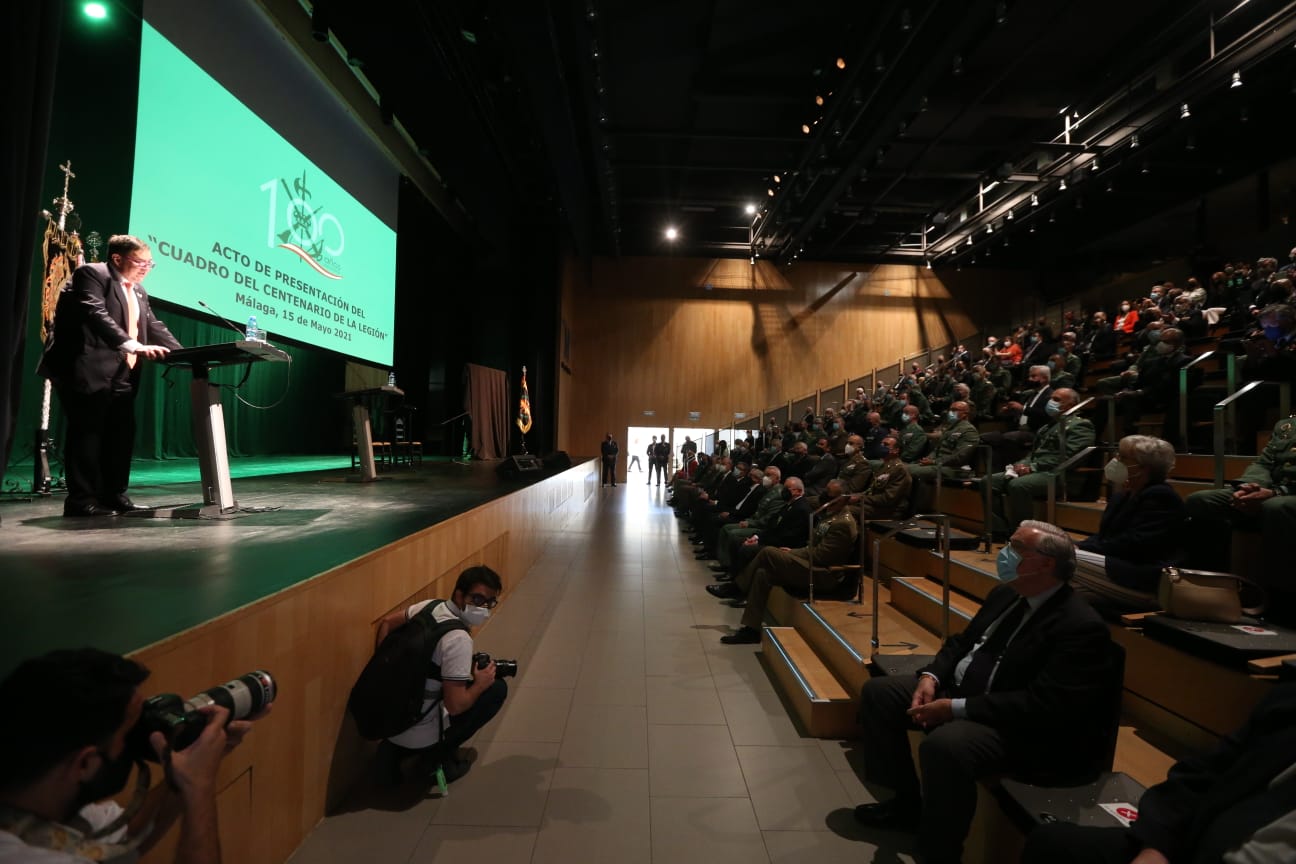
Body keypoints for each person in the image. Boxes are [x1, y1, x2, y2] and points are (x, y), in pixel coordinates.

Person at [851, 522, 1113, 864]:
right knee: (880, 693)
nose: (1004, 554)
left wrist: (956, 708)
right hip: (963, 688)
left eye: (1016, 548)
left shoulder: (1080, 625)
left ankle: (938, 852)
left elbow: (1044, 705)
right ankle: (906, 804)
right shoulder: (1007, 593)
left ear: (1046, 563)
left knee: (946, 747)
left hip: (1013, 723)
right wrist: (931, 676)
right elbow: (962, 642)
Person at [0, 648, 264, 864]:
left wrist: (187, 767)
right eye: (130, 733)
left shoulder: (42, 793)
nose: (139, 742)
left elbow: (125, 836)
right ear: (84, 763)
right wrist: (199, 789)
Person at [1021, 682, 1296, 864]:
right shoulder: (1288, 699)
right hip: (1193, 849)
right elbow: (1200, 775)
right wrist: (1156, 848)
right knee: (1052, 843)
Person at [38, 235, 182, 517]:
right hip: (86, 368)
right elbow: (95, 312)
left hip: (122, 373)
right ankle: (82, 500)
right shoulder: (91, 274)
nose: (146, 268)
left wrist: (183, 355)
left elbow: (152, 324)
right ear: (117, 259)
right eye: (140, 262)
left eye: (150, 263)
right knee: (88, 434)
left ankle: (114, 495)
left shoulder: (139, 291)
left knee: (120, 435)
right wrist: (132, 344)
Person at [374, 566, 507, 786]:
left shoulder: (429, 606)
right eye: (477, 599)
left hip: (391, 718)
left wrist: (384, 669)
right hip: (420, 732)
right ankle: (433, 756)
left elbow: (387, 623)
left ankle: (394, 750)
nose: (482, 608)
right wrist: (480, 684)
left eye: (489, 602)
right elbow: (455, 705)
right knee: (496, 690)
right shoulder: (458, 639)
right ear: (459, 595)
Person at [719, 480, 859, 644]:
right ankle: (751, 630)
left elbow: (822, 556)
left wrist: (793, 552)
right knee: (763, 574)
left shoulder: (843, 522)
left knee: (768, 552)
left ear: (842, 498)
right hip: (811, 563)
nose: (824, 495)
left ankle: (737, 587)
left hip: (824, 574)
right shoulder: (830, 514)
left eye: (829, 493)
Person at [1184, 416, 1296, 616]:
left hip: (1286, 496)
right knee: (1201, 501)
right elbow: (1264, 463)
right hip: (1272, 490)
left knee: (1276, 508)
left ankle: (1283, 605)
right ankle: (1206, 590)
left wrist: (1279, 492)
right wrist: (1250, 486)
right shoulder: (1286, 424)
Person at [1072, 436, 1184, 617]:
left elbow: (1135, 544)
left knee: (1052, 554)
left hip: (1141, 579)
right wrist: (1079, 544)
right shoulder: (1122, 495)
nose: (1115, 460)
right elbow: (1104, 537)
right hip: (1114, 570)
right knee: (1051, 587)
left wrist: (1080, 547)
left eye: (1122, 457)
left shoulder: (1161, 496)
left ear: (1142, 467)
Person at [987, 388, 1095, 534]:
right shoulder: (1047, 426)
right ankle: (998, 530)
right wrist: (1023, 464)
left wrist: (1033, 466)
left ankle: (1021, 532)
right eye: (1051, 398)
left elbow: (1069, 456)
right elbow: (1034, 453)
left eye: (1057, 400)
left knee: (1018, 485)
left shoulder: (1080, 425)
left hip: (1058, 474)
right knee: (989, 481)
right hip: (1038, 470)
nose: (1051, 402)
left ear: (1071, 404)